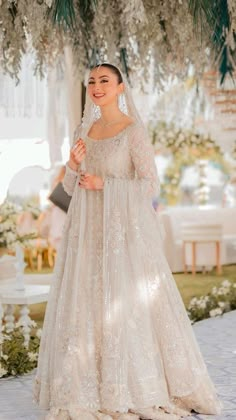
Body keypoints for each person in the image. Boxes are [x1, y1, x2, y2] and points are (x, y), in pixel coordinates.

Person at [34, 64, 222, 420]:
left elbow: (150, 184)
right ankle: (87, 385)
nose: (96, 86)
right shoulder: (83, 130)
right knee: (88, 303)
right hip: (87, 233)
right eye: (91, 81)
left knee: (125, 304)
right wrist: (73, 165)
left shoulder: (133, 131)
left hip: (123, 236)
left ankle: (134, 385)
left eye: (104, 80)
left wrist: (105, 185)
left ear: (120, 88)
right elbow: (72, 188)